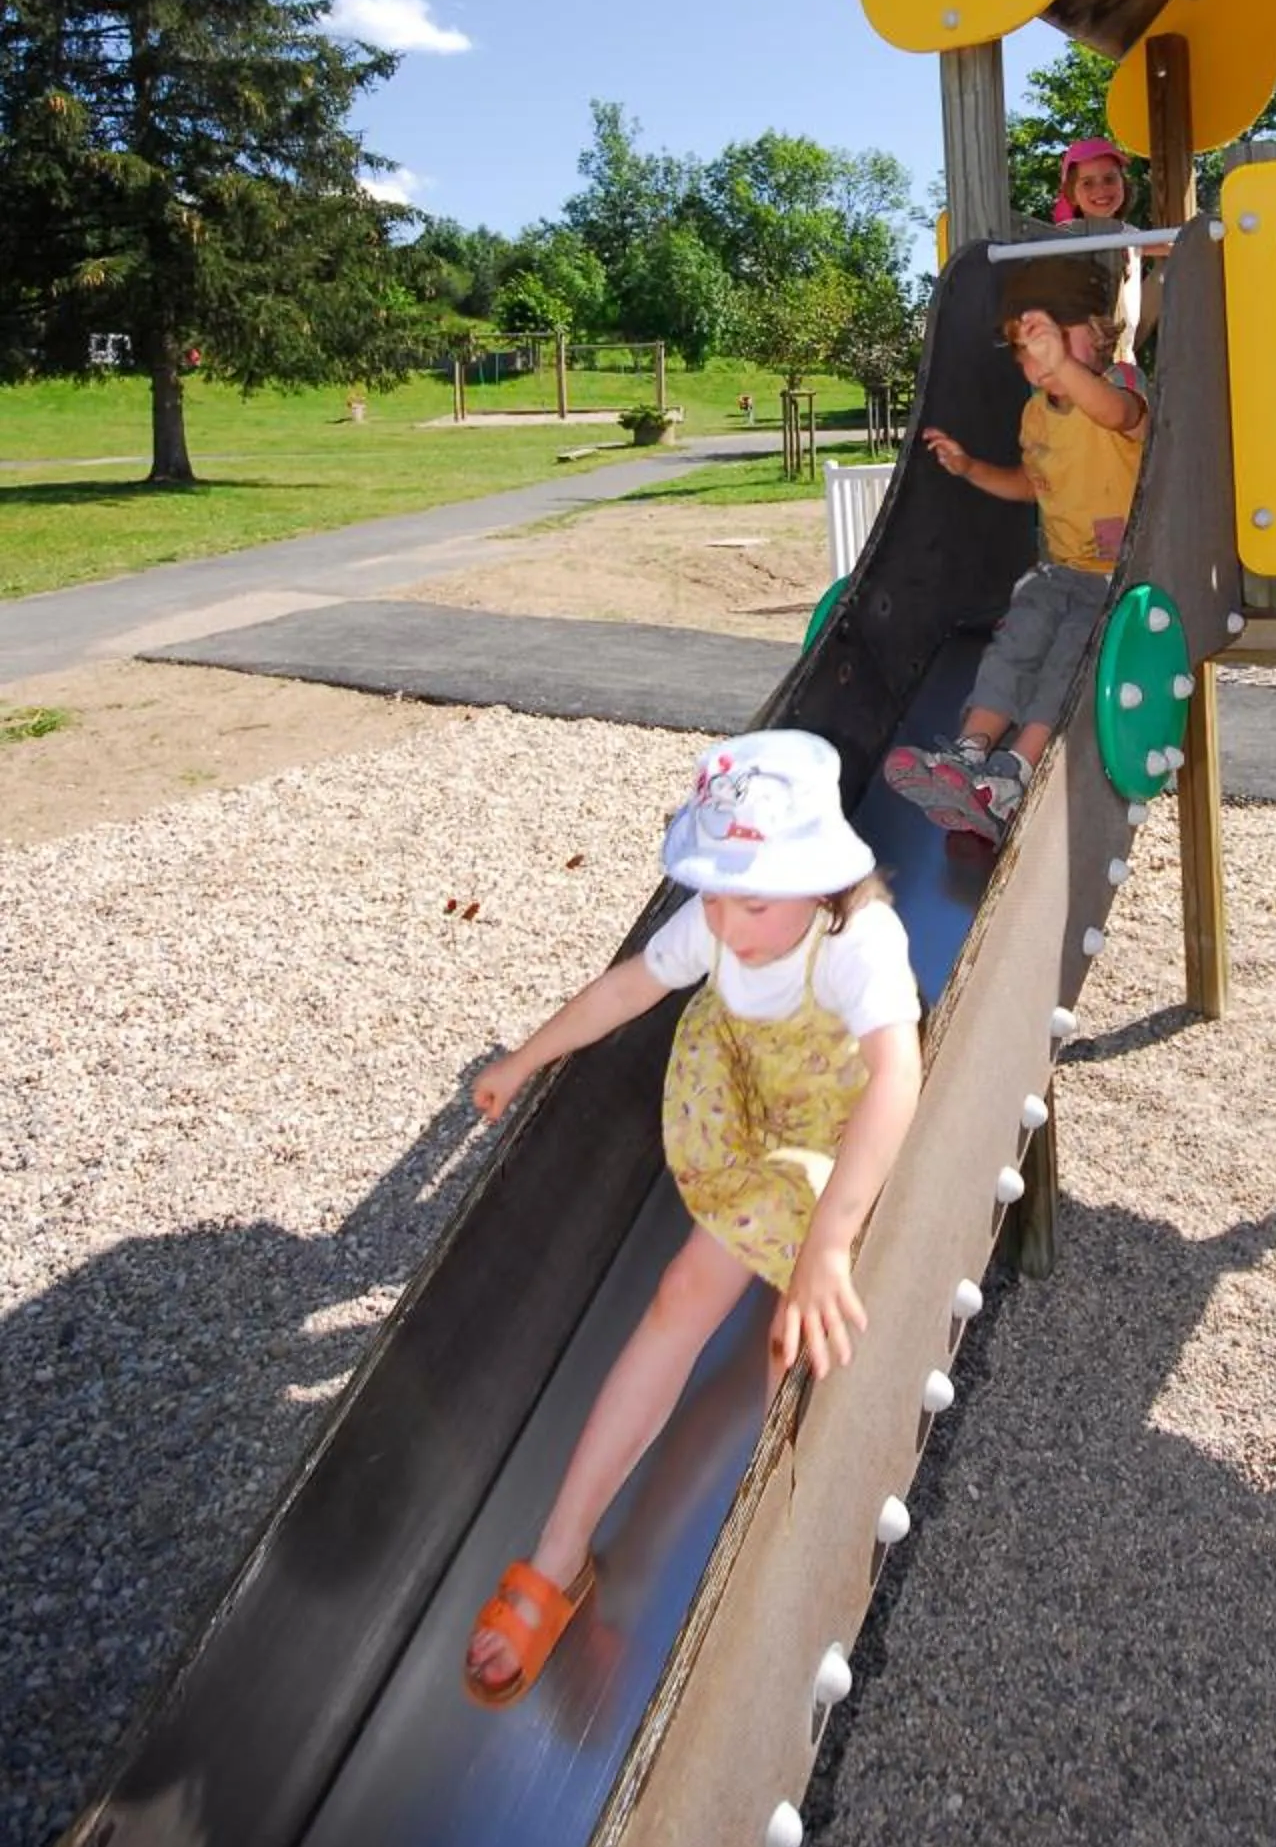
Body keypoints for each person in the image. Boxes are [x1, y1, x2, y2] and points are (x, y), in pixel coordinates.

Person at [461, 729, 921, 1707]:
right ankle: (560, 1548)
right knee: (683, 1294)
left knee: (728, 1307)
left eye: (750, 899)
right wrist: (524, 1060)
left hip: (829, 1133)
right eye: (712, 891)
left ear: (817, 882)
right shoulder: (722, 922)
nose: (726, 919)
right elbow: (624, 989)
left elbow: (896, 1076)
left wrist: (831, 1241)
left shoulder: (857, 943)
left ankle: (686, 1547)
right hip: (746, 1102)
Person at [885, 254, 1148, 843]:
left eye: (1055, 337)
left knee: (1063, 665)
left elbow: (1117, 416)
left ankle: (1014, 772)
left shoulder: (1121, 389)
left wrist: (1066, 365)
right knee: (1013, 649)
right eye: (1029, 349)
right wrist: (973, 467)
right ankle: (969, 754)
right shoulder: (1034, 414)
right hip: (1057, 572)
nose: (1041, 358)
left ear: (1099, 334)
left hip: (1114, 587)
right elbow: (1034, 483)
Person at [1051, 134, 1154, 360]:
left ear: (1123, 184)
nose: (1101, 190)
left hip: (1122, 353)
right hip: (1078, 356)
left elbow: (1170, 245)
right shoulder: (1066, 234)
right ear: (1072, 194)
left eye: (1110, 179)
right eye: (1087, 183)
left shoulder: (1129, 234)